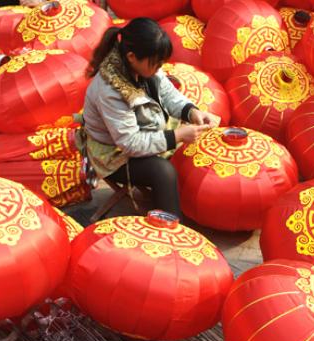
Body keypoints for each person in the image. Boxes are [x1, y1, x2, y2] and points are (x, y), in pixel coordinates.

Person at [83, 18, 217, 219]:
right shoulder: (109, 90)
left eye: (161, 63)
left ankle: (185, 202)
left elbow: (169, 95)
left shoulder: (146, 64)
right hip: (113, 153)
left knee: (197, 146)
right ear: (131, 57)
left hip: (146, 128)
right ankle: (170, 228)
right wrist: (176, 135)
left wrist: (191, 112)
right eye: (156, 64)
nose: (159, 68)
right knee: (162, 172)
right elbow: (130, 143)